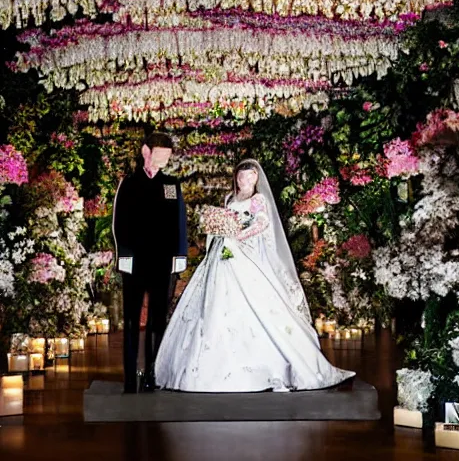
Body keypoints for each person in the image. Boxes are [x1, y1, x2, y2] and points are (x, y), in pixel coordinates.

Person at [155, 159, 354, 392]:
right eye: (242, 175)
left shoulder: (258, 200)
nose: (245, 180)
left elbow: (262, 223)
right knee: (213, 301)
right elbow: (221, 222)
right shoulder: (229, 199)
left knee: (255, 302)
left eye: (250, 176)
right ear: (236, 177)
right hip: (221, 255)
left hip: (243, 255)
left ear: (256, 179)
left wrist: (239, 235)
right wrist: (217, 229)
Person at [112, 132, 187, 393]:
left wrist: (179, 257)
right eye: (160, 152)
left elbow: (179, 222)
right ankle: (130, 377)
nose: (165, 158)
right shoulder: (130, 183)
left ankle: (152, 374)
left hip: (163, 263)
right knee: (132, 319)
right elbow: (118, 223)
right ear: (146, 151)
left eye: (168, 153)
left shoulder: (170, 184)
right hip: (135, 262)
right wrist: (124, 257)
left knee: (158, 320)